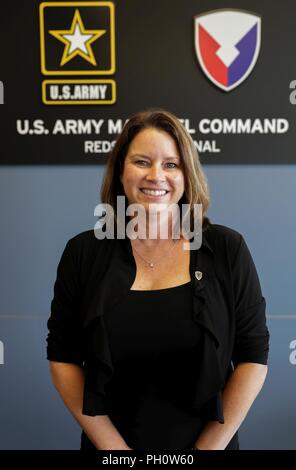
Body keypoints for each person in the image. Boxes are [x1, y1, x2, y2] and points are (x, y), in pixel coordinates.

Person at [46, 109, 269, 451]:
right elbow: (63, 357)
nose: (156, 176)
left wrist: (206, 450)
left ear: (187, 175)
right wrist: (116, 451)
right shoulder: (83, 253)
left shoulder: (226, 249)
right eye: (141, 161)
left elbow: (253, 356)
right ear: (121, 171)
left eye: (171, 164)